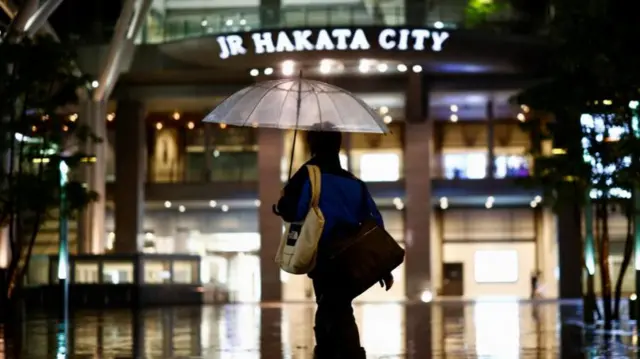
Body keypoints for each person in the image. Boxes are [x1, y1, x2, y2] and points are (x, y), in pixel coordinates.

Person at [273, 123, 394, 359]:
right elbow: (375, 224)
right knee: (338, 308)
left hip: (325, 256)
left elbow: (293, 213)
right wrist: (382, 266)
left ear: (312, 145)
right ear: (338, 145)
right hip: (352, 258)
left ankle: (334, 354)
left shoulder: (308, 175)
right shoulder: (354, 182)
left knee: (331, 309)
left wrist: (283, 201)